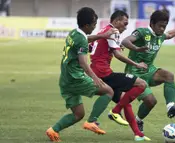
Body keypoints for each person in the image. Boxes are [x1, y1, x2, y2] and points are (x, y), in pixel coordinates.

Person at [45, 7, 123, 142]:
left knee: (78, 114)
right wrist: (95, 77)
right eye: (93, 25)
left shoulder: (74, 33)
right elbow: (83, 62)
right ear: (87, 25)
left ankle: (53, 130)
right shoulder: (82, 39)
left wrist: (102, 36)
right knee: (108, 91)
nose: (94, 27)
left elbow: (85, 38)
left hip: (65, 79)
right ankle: (92, 121)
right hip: (76, 79)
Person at [89, 10, 150, 141]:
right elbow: (118, 55)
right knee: (141, 84)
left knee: (125, 99)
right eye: (124, 23)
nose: (126, 27)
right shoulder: (113, 31)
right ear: (116, 21)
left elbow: (92, 47)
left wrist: (114, 48)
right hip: (104, 73)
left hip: (96, 72)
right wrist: (137, 64)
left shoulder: (103, 30)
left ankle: (138, 134)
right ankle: (115, 111)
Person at [122, 10, 175, 133]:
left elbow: (169, 34)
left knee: (169, 76)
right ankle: (138, 120)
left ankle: (170, 107)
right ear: (152, 23)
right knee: (151, 101)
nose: (162, 29)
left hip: (149, 70)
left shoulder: (160, 36)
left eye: (164, 26)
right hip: (134, 72)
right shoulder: (142, 32)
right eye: (160, 26)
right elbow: (125, 41)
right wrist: (137, 48)